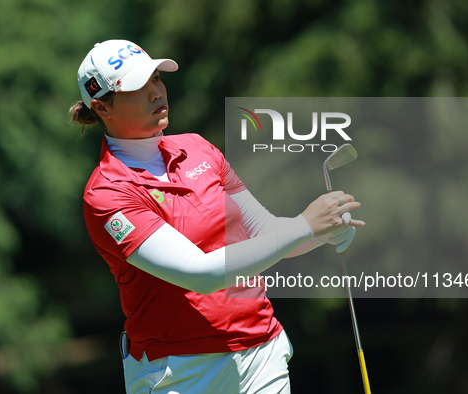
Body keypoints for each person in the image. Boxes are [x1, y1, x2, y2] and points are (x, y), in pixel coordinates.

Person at [70, 39, 365, 394]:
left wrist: (322, 232)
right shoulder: (107, 193)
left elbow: (267, 233)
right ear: (102, 107)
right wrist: (304, 226)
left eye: (156, 80)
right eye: (138, 88)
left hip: (260, 353)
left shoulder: (199, 148)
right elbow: (202, 274)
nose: (156, 93)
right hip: (179, 373)